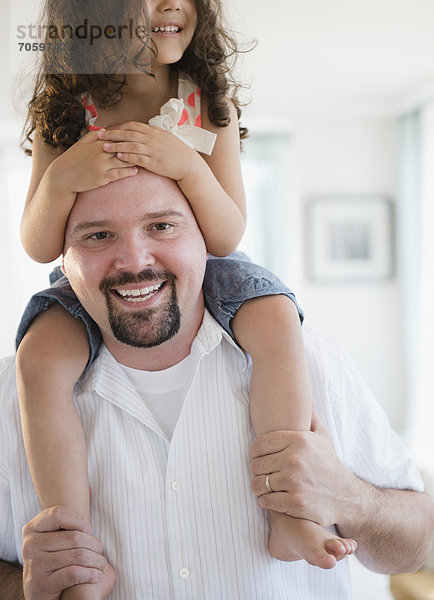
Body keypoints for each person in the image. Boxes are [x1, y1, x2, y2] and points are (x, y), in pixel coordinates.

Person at [15, 2, 356, 597]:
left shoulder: (207, 100)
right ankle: (75, 552)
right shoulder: (67, 110)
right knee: (39, 358)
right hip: (92, 279)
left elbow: (226, 234)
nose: (168, 5)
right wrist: (64, 178)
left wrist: (189, 171)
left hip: (206, 269)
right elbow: (40, 244)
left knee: (277, 318)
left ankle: (288, 512)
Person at [0, 168, 433, 600]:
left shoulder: (313, 363)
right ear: (61, 255)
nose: (134, 261)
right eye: (97, 236)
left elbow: (421, 541)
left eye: (162, 226)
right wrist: (24, 589)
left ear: (206, 236)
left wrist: (347, 497)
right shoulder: (17, 390)